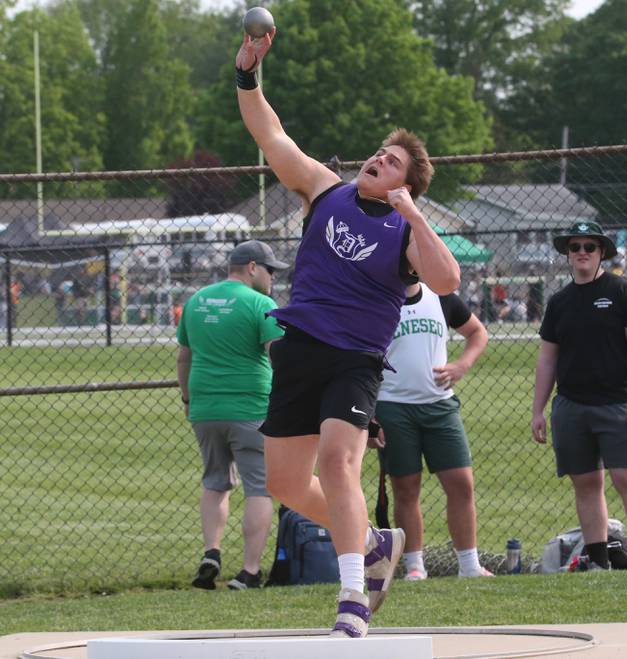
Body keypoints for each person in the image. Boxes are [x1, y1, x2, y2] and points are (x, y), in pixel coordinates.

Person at [235, 29, 460, 637]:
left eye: (392, 162)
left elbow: (447, 278)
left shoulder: (407, 233)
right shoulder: (325, 191)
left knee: (338, 464)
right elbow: (271, 135)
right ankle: (369, 540)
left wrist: (415, 215)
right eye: (379, 153)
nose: (378, 159)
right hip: (301, 349)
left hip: (355, 360)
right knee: (284, 482)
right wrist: (248, 74)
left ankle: (353, 599)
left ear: (404, 183)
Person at [531, 221, 627, 571]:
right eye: (575, 246)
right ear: (567, 254)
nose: (581, 252)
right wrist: (538, 410)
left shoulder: (623, 292)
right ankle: (598, 560)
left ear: (601, 254)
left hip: (617, 403)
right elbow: (548, 358)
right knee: (586, 482)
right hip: (571, 405)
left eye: (589, 247)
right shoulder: (560, 302)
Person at [177, 240, 289, 591]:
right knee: (259, 487)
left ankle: (212, 551)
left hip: (205, 407)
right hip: (251, 407)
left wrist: (187, 398)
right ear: (252, 267)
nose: (273, 279)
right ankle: (249, 571)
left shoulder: (196, 301)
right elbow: (278, 355)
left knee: (215, 482)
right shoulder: (261, 303)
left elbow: (184, 357)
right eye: (270, 270)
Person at [370, 280, 491, 581]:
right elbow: (360, 355)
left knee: (461, 484)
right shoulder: (377, 299)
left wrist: (462, 364)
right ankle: (414, 566)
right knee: (406, 488)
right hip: (393, 407)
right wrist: (370, 415)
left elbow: (477, 333)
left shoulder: (441, 297)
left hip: (440, 406)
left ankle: (469, 565)